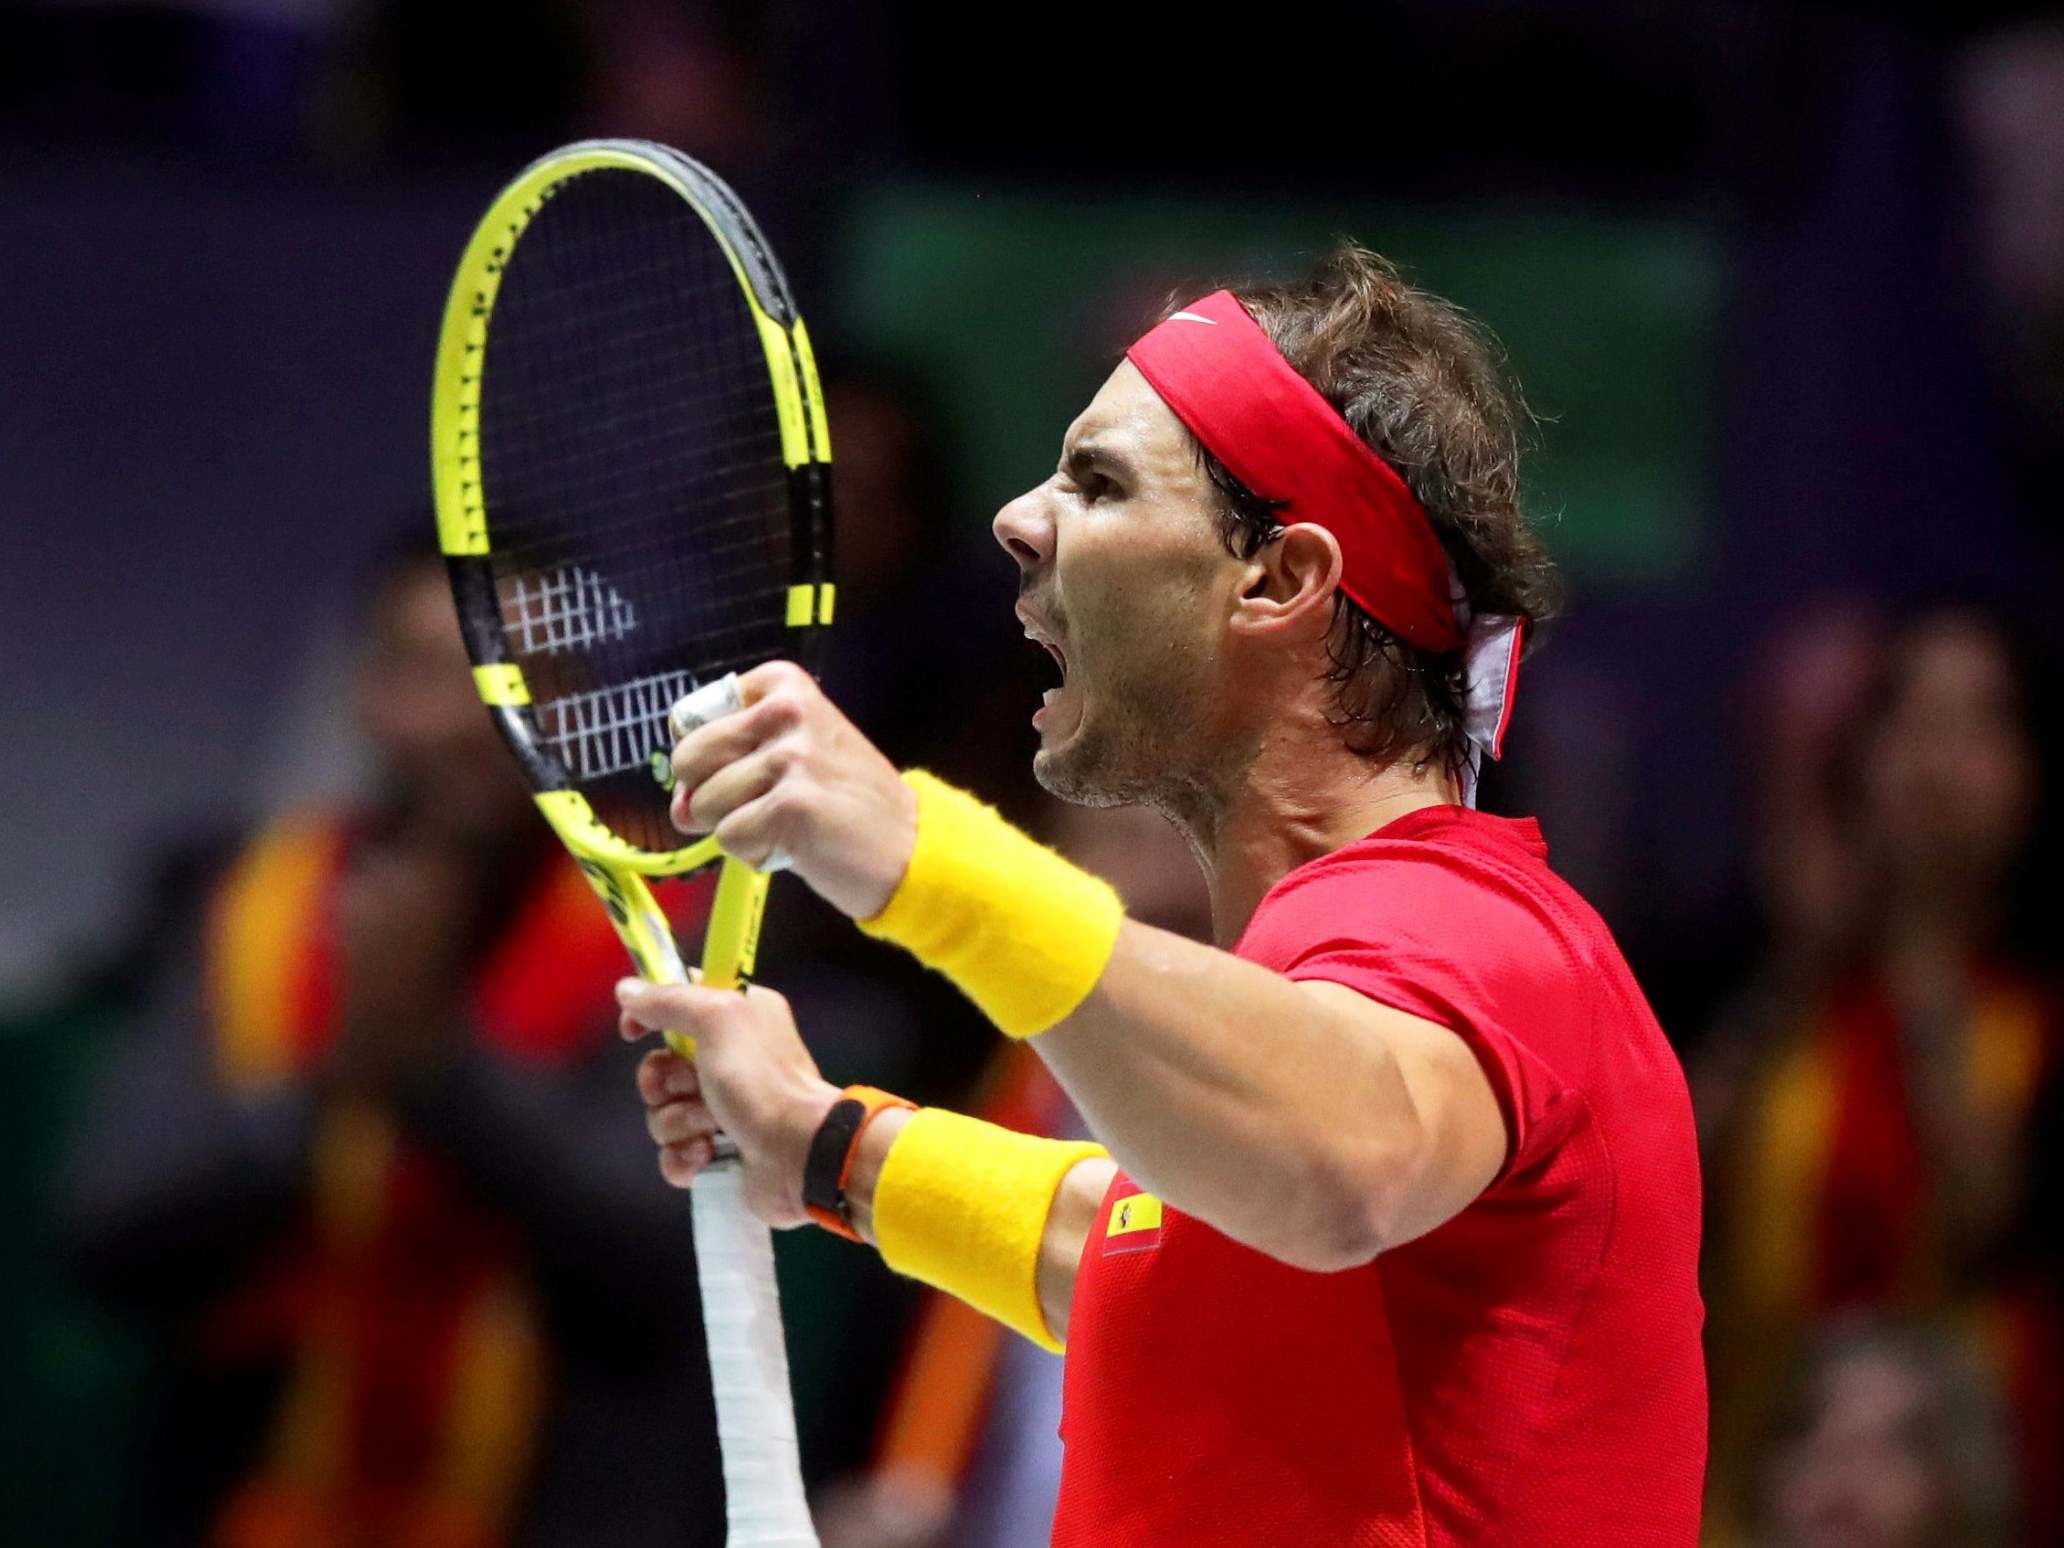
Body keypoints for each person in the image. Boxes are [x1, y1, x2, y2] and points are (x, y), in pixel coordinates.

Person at [617, 245, 1708, 1545]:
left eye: (1098, 481)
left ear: (1281, 579)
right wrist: (824, 1144)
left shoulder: (1482, 935)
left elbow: (1338, 1166)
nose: (1018, 519)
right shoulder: (1317, 988)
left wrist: (916, 854)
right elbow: (1148, 1258)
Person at [63, 537, 725, 1548]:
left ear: (578, 703)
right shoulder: (251, 903)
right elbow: (108, 1231)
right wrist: (320, 1094)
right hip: (258, 1497)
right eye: (426, 673)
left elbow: (675, 1267)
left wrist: (440, 1076)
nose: (467, 720)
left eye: (514, 678)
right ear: (367, 693)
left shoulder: (670, 920)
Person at [1699, 607, 2062, 1545]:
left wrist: (1925, 942)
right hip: (1760, 1487)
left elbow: (1987, 1221)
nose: (1937, 760)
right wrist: (1806, 952)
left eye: (1978, 724)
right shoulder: (1780, 990)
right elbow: (1665, 1191)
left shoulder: (2031, 1014)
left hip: (1973, 1493)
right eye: (1912, 719)